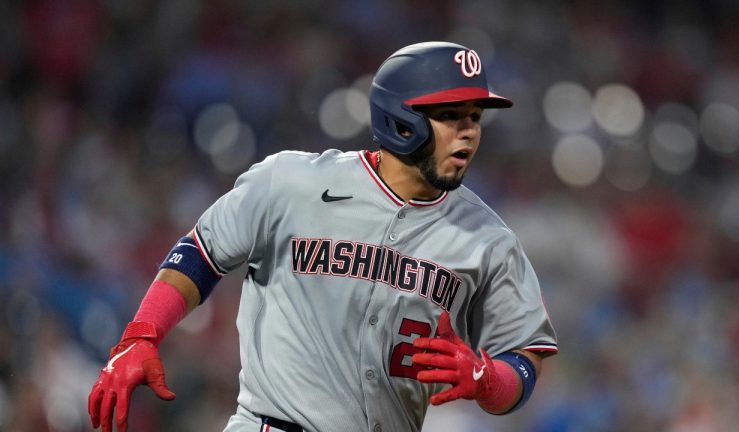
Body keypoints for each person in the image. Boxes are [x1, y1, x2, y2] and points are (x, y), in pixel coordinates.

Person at [88, 41, 558, 432]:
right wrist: (141, 336)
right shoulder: (292, 183)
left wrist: (486, 379)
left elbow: (524, 361)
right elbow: (201, 254)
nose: (469, 133)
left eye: (475, 117)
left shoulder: (490, 240)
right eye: (452, 115)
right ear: (402, 119)